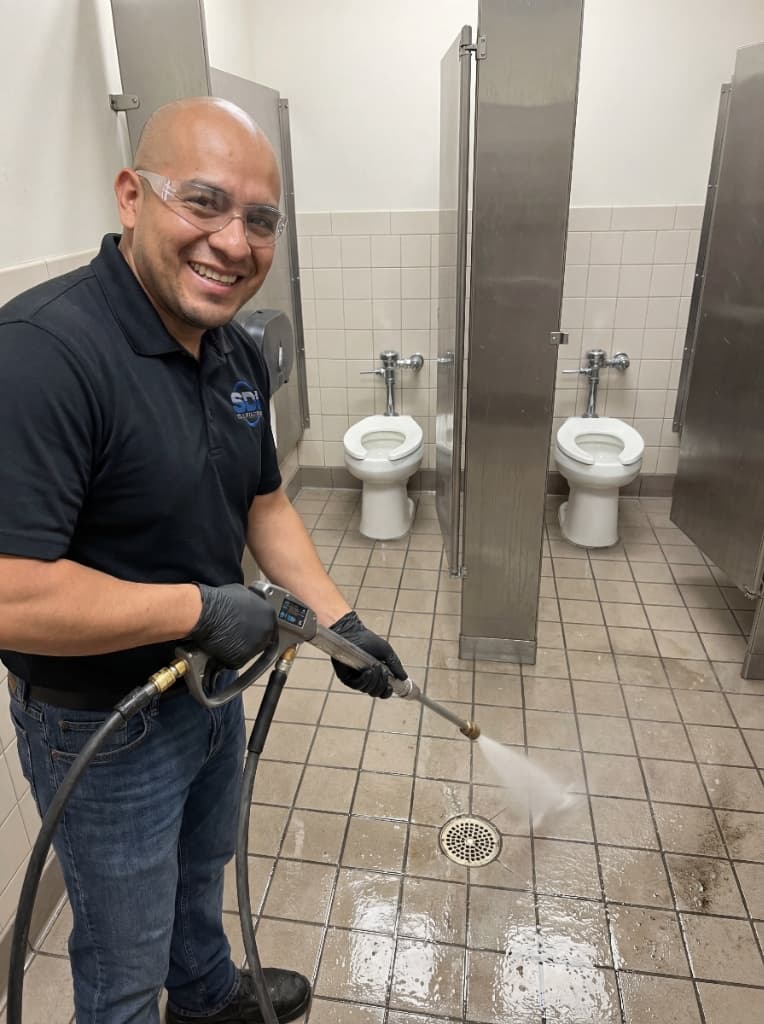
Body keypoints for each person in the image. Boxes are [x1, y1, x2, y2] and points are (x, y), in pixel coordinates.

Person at [0, 97, 406, 1024]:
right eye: (205, 203)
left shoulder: (231, 350)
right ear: (132, 197)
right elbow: (9, 595)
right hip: (105, 725)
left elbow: (262, 502)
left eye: (259, 219)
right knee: (120, 959)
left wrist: (339, 623)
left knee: (201, 872)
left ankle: (211, 998)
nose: (234, 241)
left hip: (208, 688)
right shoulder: (43, 355)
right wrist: (197, 610)